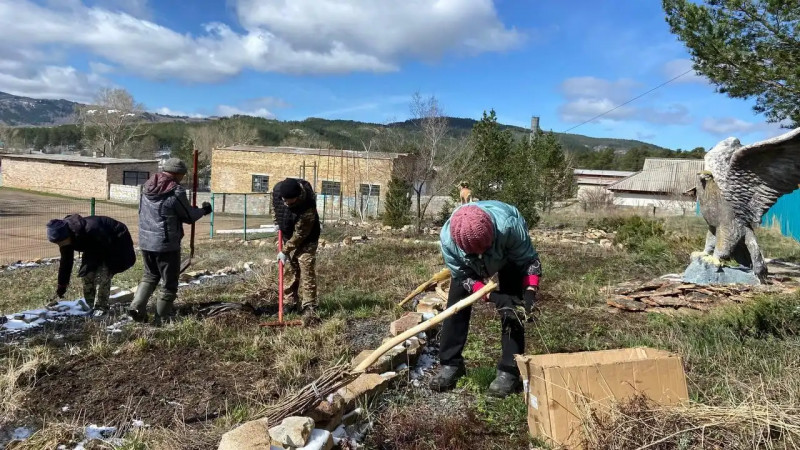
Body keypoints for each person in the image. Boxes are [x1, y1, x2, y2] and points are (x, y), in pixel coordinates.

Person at [431, 200, 542, 397]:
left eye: (485, 247)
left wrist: (530, 293)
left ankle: (509, 370)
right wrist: (490, 295)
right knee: (456, 307)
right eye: (476, 251)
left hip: (507, 256)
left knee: (513, 309)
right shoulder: (449, 240)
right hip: (468, 267)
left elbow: (529, 260)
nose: (482, 254)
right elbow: (463, 276)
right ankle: (450, 364)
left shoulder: (510, 226)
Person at [128, 158, 211, 324]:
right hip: (166, 244)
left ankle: (136, 308)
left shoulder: (147, 187)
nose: (182, 178)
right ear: (177, 174)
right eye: (182, 175)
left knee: (150, 275)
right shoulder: (175, 191)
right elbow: (188, 216)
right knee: (169, 282)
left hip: (145, 241)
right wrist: (203, 210)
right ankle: (161, 319)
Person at [46, 214, 136, 317]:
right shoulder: (66, 238)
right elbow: (66, 261)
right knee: (87, 274)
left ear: (66, 235)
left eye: (60, 242)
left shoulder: (91, 229)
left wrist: (109, 268)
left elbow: (107, 251)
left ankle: (101, 308)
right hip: (94, 246)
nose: (60, 245)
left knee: (102, 275)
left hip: (115, 240)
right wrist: (62, 284)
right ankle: (90, 305)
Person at [271, 177, 321, 324]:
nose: (286, 203)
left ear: (298, 197)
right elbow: (275, 207)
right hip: (287, 233)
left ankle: (309, 305)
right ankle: (290, 303)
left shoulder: (307, 206)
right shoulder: (278, 192)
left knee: (305, 265)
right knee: (290, 269)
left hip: (307, 237)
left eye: (290, 201)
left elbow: (300, 234)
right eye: (284, 200)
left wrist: (285, 251)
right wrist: (277, 223)